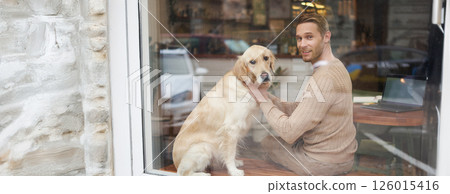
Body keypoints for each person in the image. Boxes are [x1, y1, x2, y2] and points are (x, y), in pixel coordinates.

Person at [247, 13, 358, 175]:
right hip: (342, 158)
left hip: (321, 163)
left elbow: (289, 132)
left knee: (264, 143)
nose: (302, 44)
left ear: (326, 37)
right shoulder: (336, 66)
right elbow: (305, 110)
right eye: (299, 38)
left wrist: (263, 101)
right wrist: (266, 96)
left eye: (309, 37)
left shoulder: (324, 77)